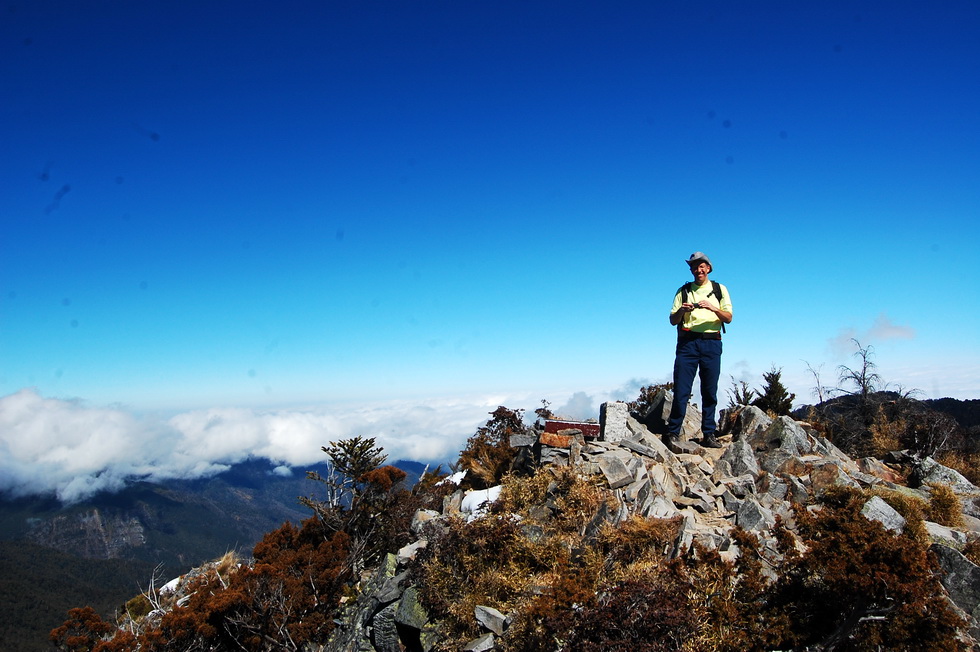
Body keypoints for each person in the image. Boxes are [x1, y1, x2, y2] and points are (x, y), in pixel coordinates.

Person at [666, 251, 733, 449]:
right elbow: (672, 320)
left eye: (702, 266)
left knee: (709, 390)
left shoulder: (720, 290)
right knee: (681, 389)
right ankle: (672, 433)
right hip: (688, 343)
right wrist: (682, 310)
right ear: (691, 270)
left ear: (709, 268)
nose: (698, 269)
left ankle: (709, 434)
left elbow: (728, 317)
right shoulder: (683, 291)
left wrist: (713, 308)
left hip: (712, 342)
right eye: (695, 266)